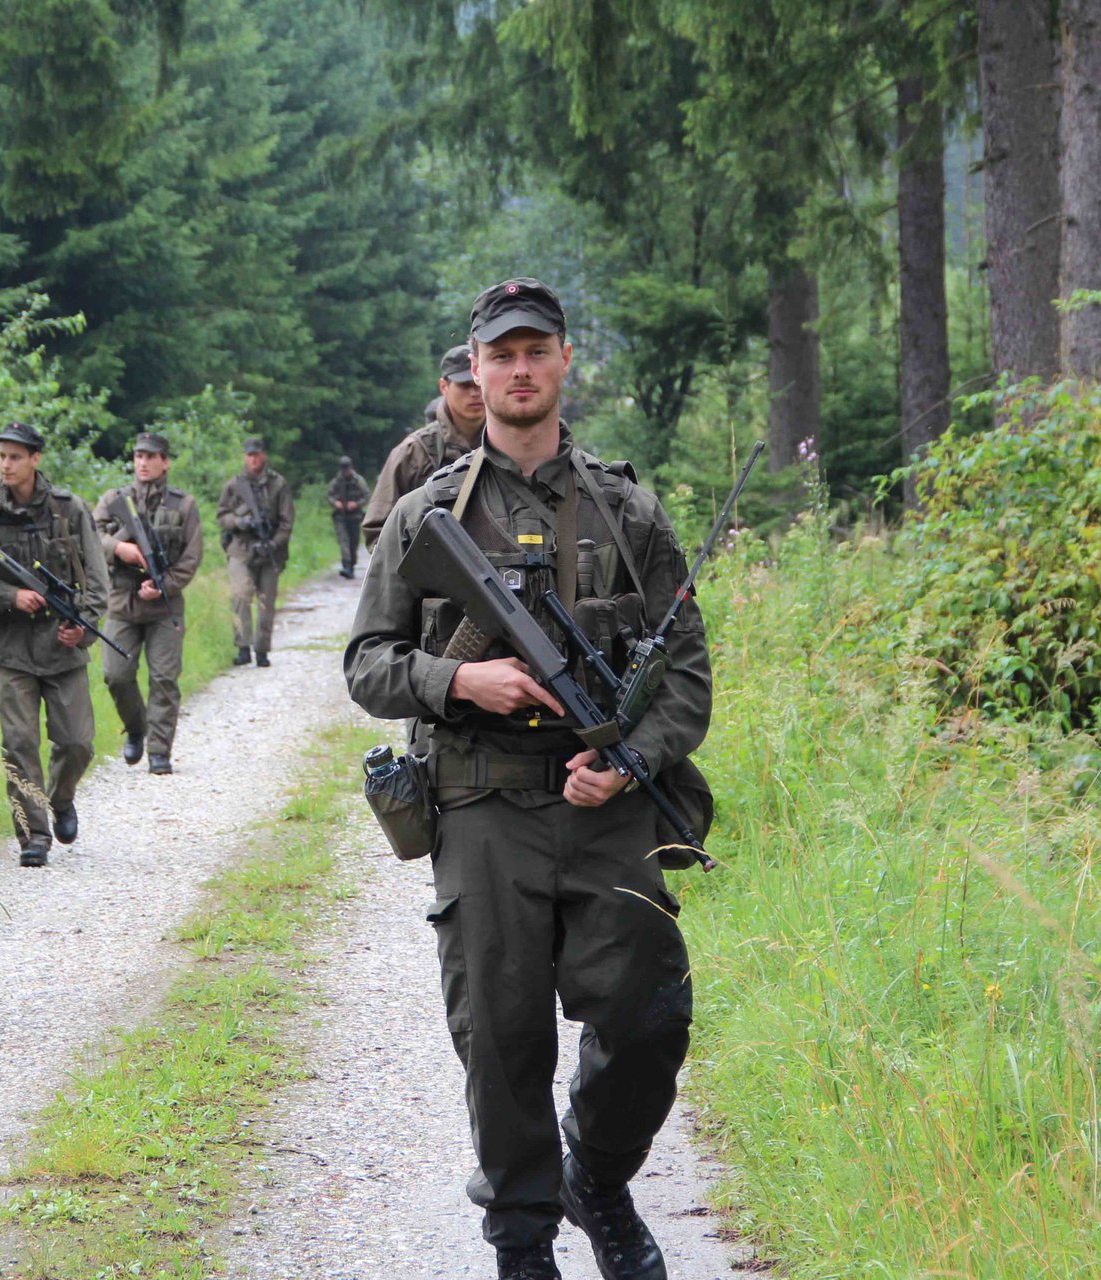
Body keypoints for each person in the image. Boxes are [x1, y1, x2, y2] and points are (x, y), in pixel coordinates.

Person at [344, 279, 711, 1280]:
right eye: (499, 354)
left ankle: (596, 1173)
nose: (517, 369)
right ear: (475, 367)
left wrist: (631, 758)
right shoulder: (429, 515)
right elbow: (366, 663)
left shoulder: (628, 507)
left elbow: (684, 673)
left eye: (535, 350)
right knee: (501, 1034)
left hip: (609, 804)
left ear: (563, 361)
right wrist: (459, 675)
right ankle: (519, 1235)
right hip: (481, 803)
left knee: (649, 1012)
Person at [0, 422, 110, 869]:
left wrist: (83, 626)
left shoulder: (70, 511)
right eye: (1, 456)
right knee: (18, 745)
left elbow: (97, 579)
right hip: (11, 649)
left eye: (15, 457)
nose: (6, 464)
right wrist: (10, 597)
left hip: (63, 648)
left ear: (35, 460)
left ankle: (61, 798)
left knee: (77, 742)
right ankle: (33, 834)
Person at [92, 431, 204, 775]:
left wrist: (165, 585)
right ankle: (137, 726)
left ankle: (159, 750)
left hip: (163, 605)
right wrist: (119, 548)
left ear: (164, 462)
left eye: (150, 456)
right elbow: (92, 535)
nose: (142, 462)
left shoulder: (183, 505)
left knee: (165, 678)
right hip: (122, 602)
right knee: (115, 674)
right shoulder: (114, 498)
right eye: (138, 455)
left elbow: (191, 555)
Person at [362, 343, 487, 550]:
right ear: (444, 387)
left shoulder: (508, 446)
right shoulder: (414, 452)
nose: (474, 393)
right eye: (464, 385)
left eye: (478, 384)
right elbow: (378, 530)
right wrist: (416, 574)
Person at [215, 437, 295, 666]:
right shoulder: (234, 485)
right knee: (240, 594)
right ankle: (242, 647)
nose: (253, 459)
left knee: (266, 601)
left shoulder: (278, 484)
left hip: (269, 549)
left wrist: (273, 543)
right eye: (249, 454)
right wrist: (239, 522)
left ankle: (261, 650)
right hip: (241, 548)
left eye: (257, 454)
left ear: (264, 455)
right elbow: (221, 515)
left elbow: (287, 522)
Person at [326, 455, 369, 578]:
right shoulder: (337, 481)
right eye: (343, 469)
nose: (345, 471)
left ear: (351, 467)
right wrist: (335, 503)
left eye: (347, 468)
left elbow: (366, 496)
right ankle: (347, 565)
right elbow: (329, 495)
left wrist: (356, 504)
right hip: (341, 517)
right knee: (344, 541)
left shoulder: (358, 481)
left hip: (355, 516)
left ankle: (351, 564)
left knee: (353, 543)